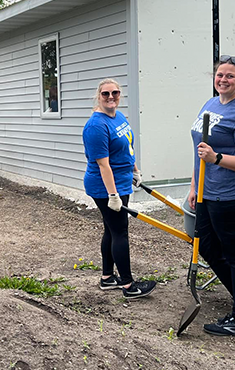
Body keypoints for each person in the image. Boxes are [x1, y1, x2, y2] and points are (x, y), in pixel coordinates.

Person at [188, 55, 235, 336]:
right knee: (207, 246)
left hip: (232, 196)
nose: (223, 80)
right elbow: (199, 150)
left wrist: (218, 157)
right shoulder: (211, 103)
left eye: (230, 76)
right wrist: (195, 185)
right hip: (208, 193)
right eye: (220, 75)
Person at [82, 78, 155, 299]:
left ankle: (107, 278)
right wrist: (112, 195)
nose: (111, 97)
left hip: (121, 181)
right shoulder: (96, 126)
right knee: (120, 231)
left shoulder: (118, 116)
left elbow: (127, 146)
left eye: (115, 93)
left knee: (111, 230)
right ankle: (128, 285)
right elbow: (103, 164)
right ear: (99, 96)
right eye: (106, 94)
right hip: (105, 186)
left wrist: (134, 169)